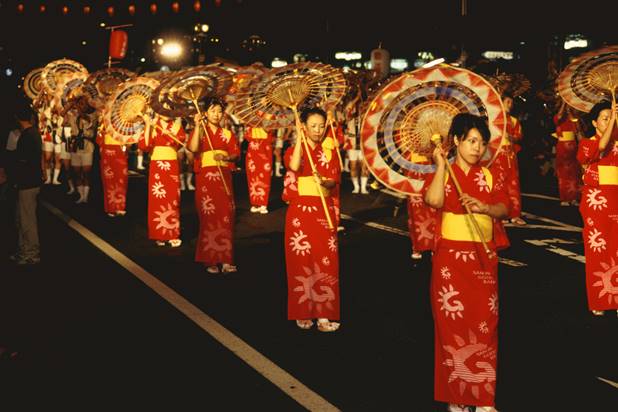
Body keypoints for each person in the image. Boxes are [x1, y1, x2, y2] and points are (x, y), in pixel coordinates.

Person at [425, 113, 509, 412]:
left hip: (483, 255)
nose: (477, 147)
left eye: (482, 142)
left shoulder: (489, 174)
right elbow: (433, 201)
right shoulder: (444, 171)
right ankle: (458, 395)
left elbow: (504, 208)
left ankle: (483, 396)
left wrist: (485, 206)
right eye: (471, 140)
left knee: (486, 323)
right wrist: (438, 167)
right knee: (452, 325)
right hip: (451, 260)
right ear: (457, 141)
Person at [284, 107, 341, 332]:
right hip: (300, 211)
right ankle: (303, 311)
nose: (318, 130)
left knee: (326, 259)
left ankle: (324, 313)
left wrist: (325, 182)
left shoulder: (329, 152)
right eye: (313, 126)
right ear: (304, 127)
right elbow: (294, 166)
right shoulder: (295, 149)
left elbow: (334, 180)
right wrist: (299, 139)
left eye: (321, 126)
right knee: (302, 260)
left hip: (323, 209)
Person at [188, 97, 240, 274]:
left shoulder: (227, 134)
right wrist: (196, 126)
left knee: (226, 216)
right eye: (212, 111)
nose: (217, 114)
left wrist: (225, 158)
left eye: (219, 111)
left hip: (223, 176)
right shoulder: (201, 132)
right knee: (209, 218)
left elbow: (235, 154)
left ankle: (225, 259)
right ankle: (209, 259)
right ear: (205, 113)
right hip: (206, 179)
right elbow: (194, 148)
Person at [576, 100, 618, 317]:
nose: (610, 120)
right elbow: (601, 147)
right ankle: (599, 300)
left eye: (612, 116)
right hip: (597, 202)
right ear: (594, 122)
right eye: (605, 118)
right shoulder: (587, 143)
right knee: (597, 251)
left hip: (617, 199)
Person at [139, 111, 187, 248]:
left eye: (169, 107)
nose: (166, 111)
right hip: (157, 165)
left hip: (172, 164)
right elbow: (144, 146)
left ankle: (172, 232)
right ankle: (158, 233)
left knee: (173, 198)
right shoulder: (153, 125)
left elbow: (180, 141)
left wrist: (171, 136)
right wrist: (148, 125)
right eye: (163, 107)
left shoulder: (177, 126)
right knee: (157, 198)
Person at [10, 104, 44, 265]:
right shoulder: (34, 133)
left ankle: (31, 253)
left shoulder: (26, 136)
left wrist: (14, 180)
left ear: (17, 118)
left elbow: (22, 162)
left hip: (27, 183)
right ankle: (24, 250)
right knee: (22, 218)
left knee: (27, 219)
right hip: (32, 181)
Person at [490, 93, 526, 226]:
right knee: (499, 184)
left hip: (510, 155)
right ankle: (502, 214)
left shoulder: (514, 120)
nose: (510, 105)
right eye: (508, 102)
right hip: (498, 154)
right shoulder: (493, 119)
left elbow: (519, 136)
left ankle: (515, 214)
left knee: (513, 184)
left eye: (511, 102)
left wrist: (512, 137)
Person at [96, 116, 128, 217]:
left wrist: (125, 143)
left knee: (121, 179)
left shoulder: (124, 125)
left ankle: (120, 206)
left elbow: (128, 140)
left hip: (119, 153)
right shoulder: (103, 124)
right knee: (109, 180)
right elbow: (99, 139)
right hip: (107, 152)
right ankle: (110, 208)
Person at [553, 101, 582, 206]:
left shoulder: (573, 119)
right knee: (563, 174)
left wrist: (574, 117)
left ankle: (574, 197)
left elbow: (578, 132)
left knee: (574, 173)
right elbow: (560, 115)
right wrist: (564, 103)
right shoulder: (558, 118)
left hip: (573, 147)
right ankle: (565, 198)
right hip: (562, 147)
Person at [244, 126, 273, 214]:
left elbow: (270, 139)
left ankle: (263, 203)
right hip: (252, 154)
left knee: (265, 178)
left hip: (265, 153)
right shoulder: (251, 125)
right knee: (252, 178)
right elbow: (247, 137)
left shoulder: (268, 122)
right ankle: (255, 203)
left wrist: (266, 129)